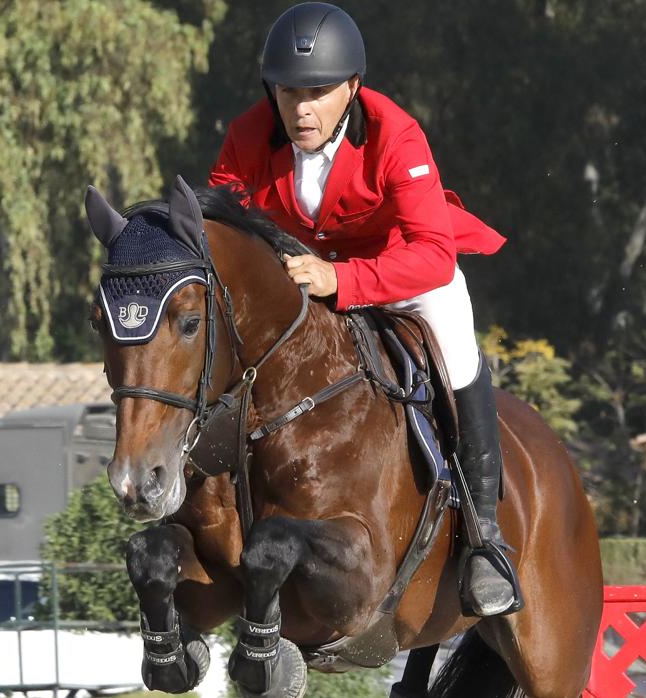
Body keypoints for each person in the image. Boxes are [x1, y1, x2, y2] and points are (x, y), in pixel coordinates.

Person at [208, 2, 520, 617]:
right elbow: (222, 229)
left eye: (319, 91)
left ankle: (485, 536)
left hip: (400, 268)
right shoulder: (248, 134)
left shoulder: (395, 134)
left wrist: (341, 278)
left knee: (457, 344)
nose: (301, 108)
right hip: (299, 276)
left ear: (352, 87)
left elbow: (432, 253)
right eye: (288, 90)